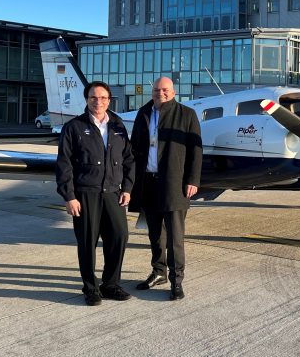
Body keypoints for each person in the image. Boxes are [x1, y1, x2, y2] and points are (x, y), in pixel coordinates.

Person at [56, 81, 135, 306]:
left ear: (109, 100)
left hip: (113, 193)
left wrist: (127, 188)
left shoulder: (118, 126)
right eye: (93, 97)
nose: (98, 102)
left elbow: (129, 159)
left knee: (119, 237)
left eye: (102, 98)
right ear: (87, 99)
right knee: (87, 242)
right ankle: (90, 288)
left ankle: (110, 284)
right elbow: (64, 164)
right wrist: (69, 196)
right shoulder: (73, 127)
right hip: (85, 194)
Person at [130, 77, 202, 300]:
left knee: (175, 236)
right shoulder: (143, 114)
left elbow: (195, 151)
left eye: (165, 90)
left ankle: (176, 280)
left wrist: (193, 179)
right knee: (155, 233)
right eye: (156, 90)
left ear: (173, 92)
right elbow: (134, 149)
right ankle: (158, 271)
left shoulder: (186, 114)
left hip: (174, 183)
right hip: (148, 182)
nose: (160, 93)